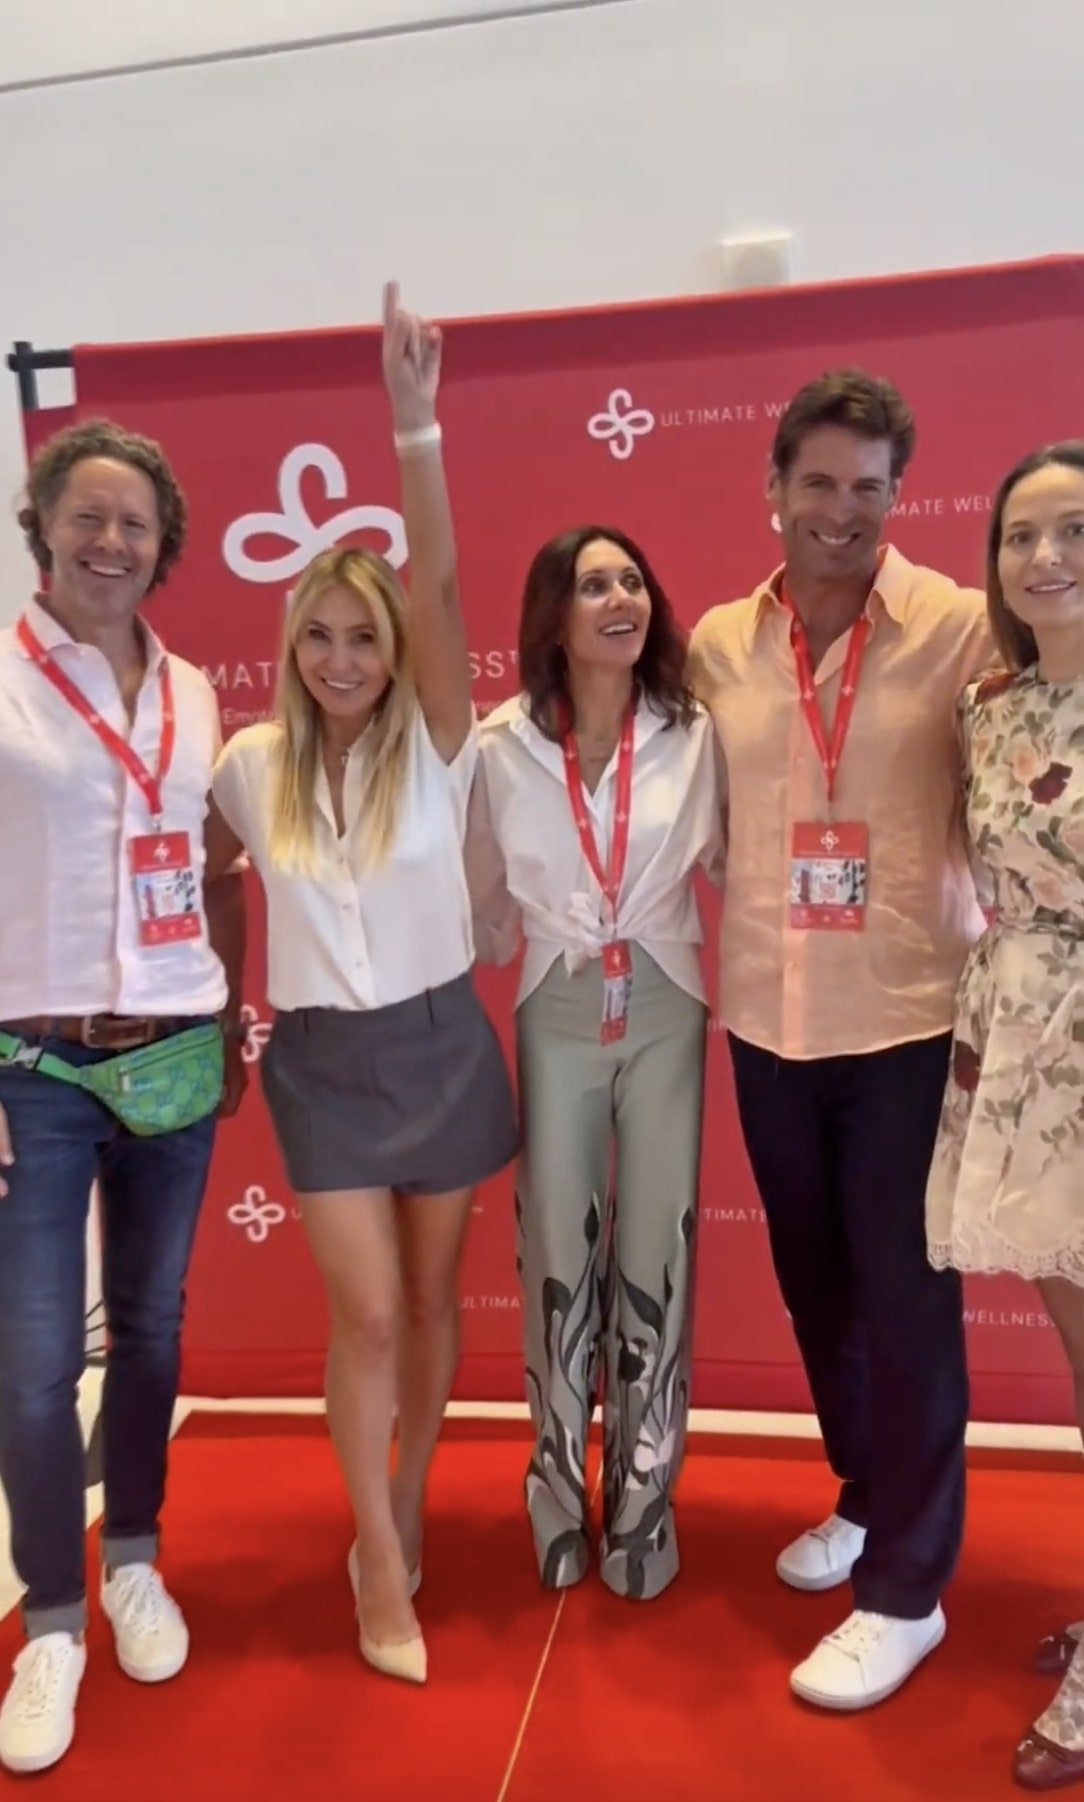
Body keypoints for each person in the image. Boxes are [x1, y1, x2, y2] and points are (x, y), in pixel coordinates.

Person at [206, 284, 517, 1685]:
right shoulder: (243, 765)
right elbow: (201, 873)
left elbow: (442, 584)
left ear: (397, 653)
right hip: (324, 1062)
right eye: (321, 636)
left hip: (446, 1043)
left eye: (366, 637)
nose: (345, 659)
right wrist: (215, 997)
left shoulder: (440, 742)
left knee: (440, 1299)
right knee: (372, 1310)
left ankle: (406, 1500)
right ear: (291, 646)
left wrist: (416, 429)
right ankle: (377, 1566)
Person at [687, 368, 995, 1709]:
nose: (843, 512)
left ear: (896, 495)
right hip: (766, 1019)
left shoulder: (964, 628)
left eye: (870, 488)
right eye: (818, 483)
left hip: (908, 1023)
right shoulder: (713, 640)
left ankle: (910, 1588)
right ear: (773, 489)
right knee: (820, 1288)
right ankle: (869, 1497)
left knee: (911, 1303)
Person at [0, 419, 247, 1776]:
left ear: (166, 544)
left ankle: (134, 1555)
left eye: (135, 523)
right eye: (87, 517)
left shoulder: (198, 691)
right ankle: (49, 1617)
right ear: (44, 525)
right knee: (34, 1357)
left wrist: (233, 1018)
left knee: (152, 1326)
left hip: (170, 1047)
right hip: (25, 1061)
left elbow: (214, 865)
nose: (110, 541)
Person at [466, 525, 721, 1600]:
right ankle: (557, 1490)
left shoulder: (699, 732)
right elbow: (481, 914)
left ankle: (644, 1501)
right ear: (551, 617)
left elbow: (736, 864)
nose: (619, 598)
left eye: (631, 581)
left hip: (665, 996)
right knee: (556, 1255)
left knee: (656, 1252)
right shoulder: (498, 744)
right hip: (556, 1001)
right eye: (592, 584)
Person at [925, 442, 1084, 1792]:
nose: (1046, 557)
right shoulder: (992, 708)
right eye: (1024, 534)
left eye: (1075, 529)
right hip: (1026, 1050)